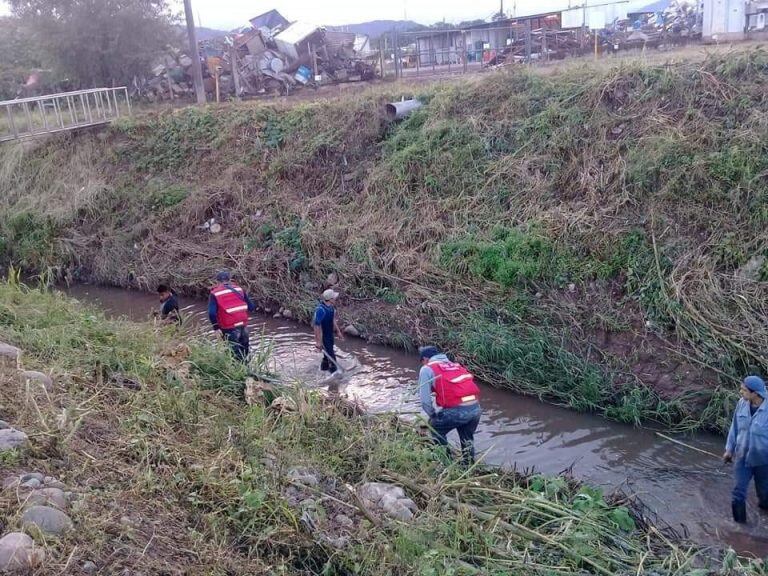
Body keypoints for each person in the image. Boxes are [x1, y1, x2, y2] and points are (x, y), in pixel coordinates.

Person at [418, 346, 482, 466]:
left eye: (421, 361)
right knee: (467, 438)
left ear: (425, 359)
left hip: (458, 411)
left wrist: (433, 416)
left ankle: (446, 464)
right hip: (475, 409)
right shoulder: (456, 366)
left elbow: (425, 401)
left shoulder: (426, 369)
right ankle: (468, 465)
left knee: (435, 428)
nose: (422, 364)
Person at [723, 375, 768, 523]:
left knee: (765, 496)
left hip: (763, 461)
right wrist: (729, 449)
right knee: (738, 493)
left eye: (743, 390)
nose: (740, 392)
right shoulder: (742, 403)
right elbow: (734, 428)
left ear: (755, 393)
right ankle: (740, 530)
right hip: (742, 457)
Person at [208, 271, 255, 363]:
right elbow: (251, 307)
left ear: (217, 282)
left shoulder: (214, 293)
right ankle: (248, 370)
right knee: (244, 351)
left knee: (233, 353)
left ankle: (237, 373)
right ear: (229, 280)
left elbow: (212, 313)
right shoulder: (239, 289)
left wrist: (216, 328)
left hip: (228, 327)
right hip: (243, 324)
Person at [313, 289, 343, 374]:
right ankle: (335, 377)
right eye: (334, 297)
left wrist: (338, 332)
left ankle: (322, 370)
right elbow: (316, 326)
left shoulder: (331, 308)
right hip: (324, 337)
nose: (335, 299)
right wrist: (318, 342)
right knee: (332, 357)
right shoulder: (320, 310)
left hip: (330, 335)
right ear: (330, 299)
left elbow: (333, 320)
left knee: (327, 355)